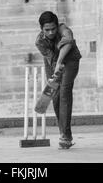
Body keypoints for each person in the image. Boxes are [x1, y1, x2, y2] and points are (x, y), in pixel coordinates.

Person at [35, 11, 82, 149]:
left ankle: (65, 136)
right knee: (55, 97)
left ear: (57, 26)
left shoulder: (64, 30)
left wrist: (60, 62)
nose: (50, 32)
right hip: (52, 63)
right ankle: (63, 132)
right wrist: (56, 68)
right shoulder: (39, 41)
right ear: (41, 29)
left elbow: (68, 43)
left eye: (53, 29)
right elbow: (51, 58)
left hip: (71, 60)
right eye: (47, 30)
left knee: (64, 92)